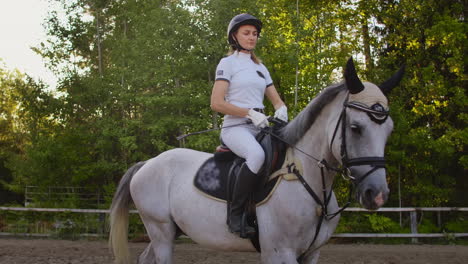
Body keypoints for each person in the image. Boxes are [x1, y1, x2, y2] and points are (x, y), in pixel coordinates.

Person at [210, 13, 288, 236]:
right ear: (235, 36)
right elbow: (216, 103)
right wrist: (249, 113)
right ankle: (235, 215)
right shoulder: (228, 63)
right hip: (236, 127)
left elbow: (275, 99)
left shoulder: (261, 68)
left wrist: (281, 110)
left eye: (255, 34)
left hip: (261, 126)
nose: (252, 37)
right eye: (246, 33)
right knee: (256, 156)